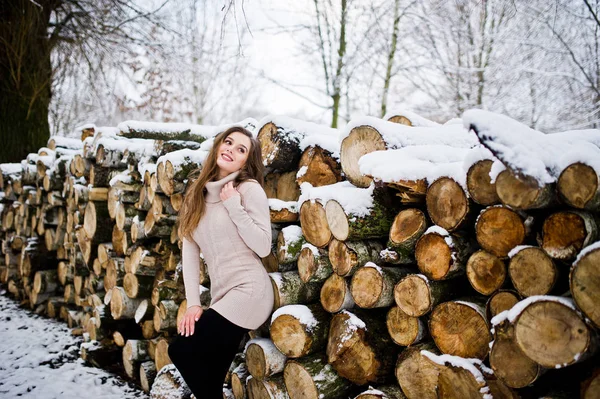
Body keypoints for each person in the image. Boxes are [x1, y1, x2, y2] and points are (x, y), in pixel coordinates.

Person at [167, 126, 274, 398]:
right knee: (210, 376)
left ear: (245, 162)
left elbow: (263, 246)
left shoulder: (248, 190)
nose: (230, 150)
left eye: (241, 149)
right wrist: (193, 304)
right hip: (222, 296)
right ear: (217, 146)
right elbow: (189, 255)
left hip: (250, 292)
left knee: (181, 349)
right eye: (228, 142)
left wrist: (234, 205)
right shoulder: (196, 196)